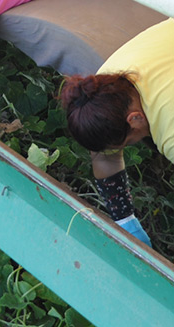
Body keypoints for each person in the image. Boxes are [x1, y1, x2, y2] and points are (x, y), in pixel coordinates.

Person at [60, 18, 174, 246]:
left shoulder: (170, 130)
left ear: (135, 119)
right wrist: (125, 221)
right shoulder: (106, 83)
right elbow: (103, 155)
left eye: (123, 143)